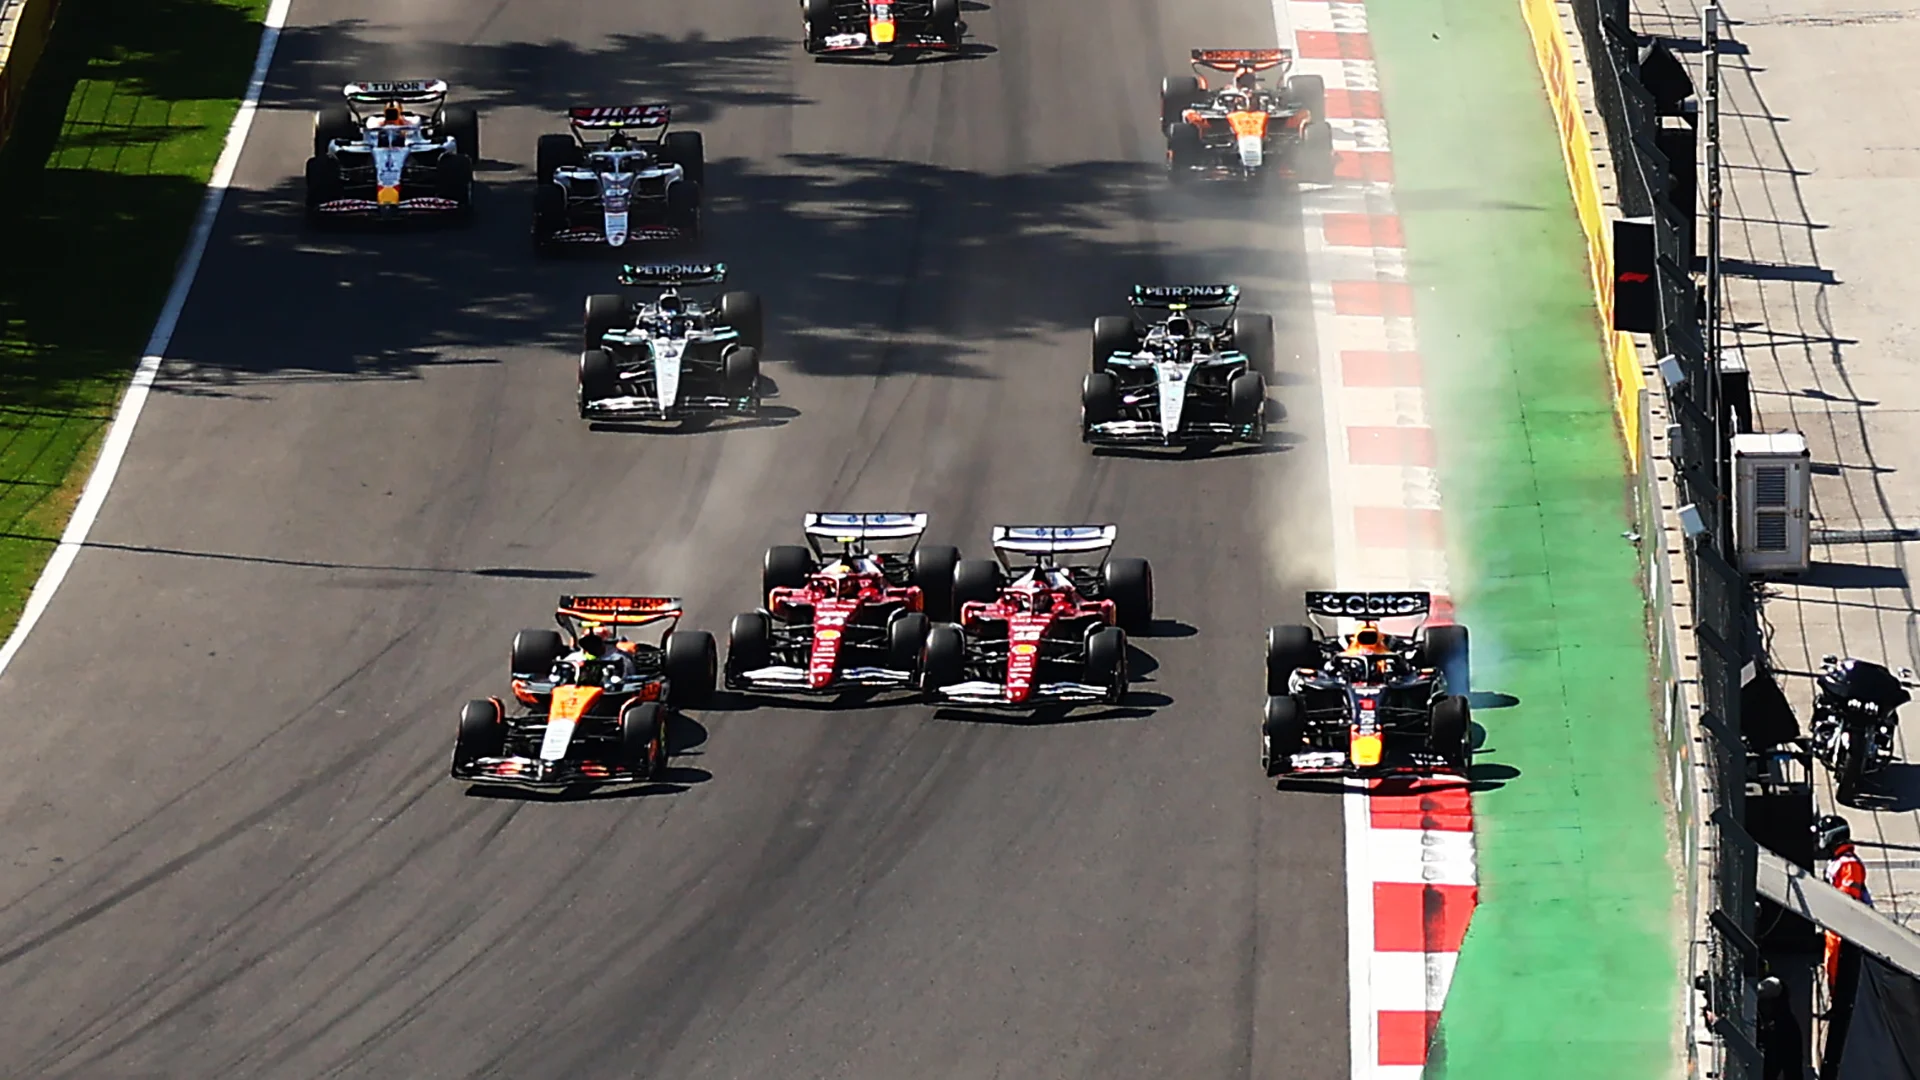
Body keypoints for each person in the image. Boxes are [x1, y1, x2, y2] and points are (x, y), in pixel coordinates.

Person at [1816, 814, 1871, 1000]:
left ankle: (1840, 1003)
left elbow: (1847, 899)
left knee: (1841, 969)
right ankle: (1836, 1001)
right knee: (1832, 966)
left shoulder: (1848, 864)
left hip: (1847, 930)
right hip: (1836, 926)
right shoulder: (1838, 861)